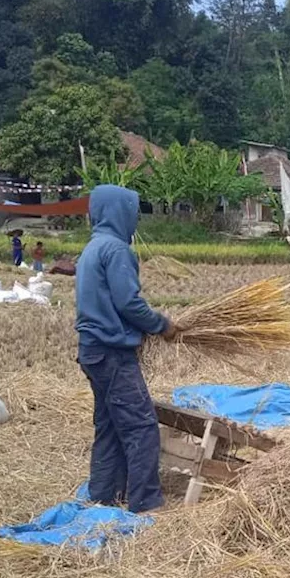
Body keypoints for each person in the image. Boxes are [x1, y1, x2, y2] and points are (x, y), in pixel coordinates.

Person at [75, 185, 177, 513]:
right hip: (113, 353)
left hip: (92, 351)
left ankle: (103, 494)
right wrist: (162, 325)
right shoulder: (117, 250)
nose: (134, 220)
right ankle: (145, 502)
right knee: (141, 426)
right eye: (132, 213)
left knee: (108, 425)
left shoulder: (92, 248)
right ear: (120, 213)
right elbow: (129, 303)